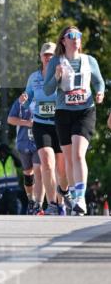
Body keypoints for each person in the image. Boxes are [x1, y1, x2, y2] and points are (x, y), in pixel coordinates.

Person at [44, 25, 105, 216]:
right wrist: (56, 76)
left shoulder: (89, 60)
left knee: (78, 154)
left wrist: (100, 92)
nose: (76, 38)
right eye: (71, 35)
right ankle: (73, 198)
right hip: (64, 113)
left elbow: (99, 82)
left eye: (78, 35)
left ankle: (80, 199)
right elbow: (48, 90)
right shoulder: (56, 61)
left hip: (85, 111)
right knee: (69, 159)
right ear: (64, 40)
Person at [21, 42, 70, 216]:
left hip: (60, 124)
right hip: (41, 124)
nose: (49, 57)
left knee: (62, 170)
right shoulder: (34, 77)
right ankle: (52, 204)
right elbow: (28, 98)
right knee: (47, 164)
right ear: (41, 57)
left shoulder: (63, 72)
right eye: (46, 54)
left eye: (51, 54)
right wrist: (24, 99)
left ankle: (62, 199)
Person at [7, 93, 43, 214]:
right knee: (28, 173)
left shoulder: (45, 97)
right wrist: (27, 123)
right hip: (24, 143)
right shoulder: (22, 100)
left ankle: (39, 204)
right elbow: (10, 119)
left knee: (38, 170)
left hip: (39, 142)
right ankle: (31, 200)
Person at [0, 144, 21, 215]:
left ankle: (14, 221)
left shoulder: (11, 159)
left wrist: (12, 154)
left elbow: (19, 164)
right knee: (2, 208)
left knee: (12, 208)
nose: (3, 153)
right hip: (0, 190)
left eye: (5, 152)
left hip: (12, 189)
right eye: (2, 151)